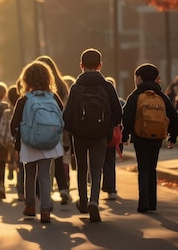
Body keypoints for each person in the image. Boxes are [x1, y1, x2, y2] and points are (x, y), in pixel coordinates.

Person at [62, 48, 122, 223]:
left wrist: (73, 130)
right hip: (100, 135)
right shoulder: (107, 86)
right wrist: (107, 128)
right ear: (100, 66)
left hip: (80, 135)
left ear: (81, 66)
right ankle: (94, 200)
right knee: (96, 169)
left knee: (82, 168)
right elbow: (117, 112)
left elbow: (68, 114)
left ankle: (83, 200)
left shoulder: (76, 87)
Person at [9, 61, 64, 223]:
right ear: (48, 79)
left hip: (29, 141)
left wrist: (18, 143)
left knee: (30, 174)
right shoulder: (54, 97)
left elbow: (15, 125)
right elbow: (61, 117)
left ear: (26, 80)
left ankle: (30, 206)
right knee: (45, 175)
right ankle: (45, 209)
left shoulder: (24, 99)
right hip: (49, 141)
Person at [122, 64, 178, 212]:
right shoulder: (161, 96)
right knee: (152, 168)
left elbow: (127, 118)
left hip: (140, 137)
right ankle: (153, 203)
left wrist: (125, 135)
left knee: (143, 169)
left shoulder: (135, 96)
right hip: (156, 138)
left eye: (136, 77)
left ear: (140, 78)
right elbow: (175, 116)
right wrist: (172, 137)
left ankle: (143, 203)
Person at [36, 55, 71, 205]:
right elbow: (66, 109)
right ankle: (63, 189)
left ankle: (43, 192)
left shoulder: (35, 87)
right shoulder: (62, 86)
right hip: (58, 127)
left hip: (39, 128)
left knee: (41, 162)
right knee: (57, 159)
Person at [102, 76, 126, 200]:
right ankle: (111, 189)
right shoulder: (119, 101)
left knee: (98, 163)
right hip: (113, 134)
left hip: (98, 132)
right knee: (110, 162)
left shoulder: (100, 98)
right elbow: (121, 115)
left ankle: (104, 186)